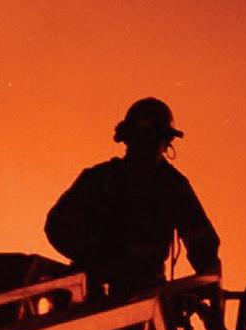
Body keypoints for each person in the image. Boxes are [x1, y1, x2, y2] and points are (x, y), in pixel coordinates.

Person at [44, 98, 220, 297]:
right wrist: (94, 255)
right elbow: (57, 225)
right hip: (94, 294)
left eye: (151, 139)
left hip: (146, 296)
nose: (145, 146)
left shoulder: (173, 187)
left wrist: (209, 283)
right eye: (141, 139)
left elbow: (202, 242)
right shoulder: (99, 180)